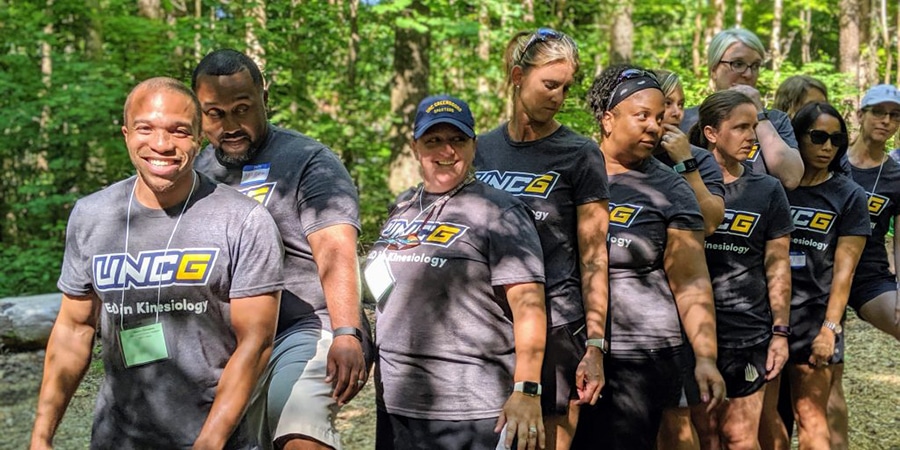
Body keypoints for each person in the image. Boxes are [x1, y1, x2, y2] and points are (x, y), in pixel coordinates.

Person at [30, 77, 284, 449]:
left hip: (218, 438)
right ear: (125, 134)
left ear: (198, 139)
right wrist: (41, 436)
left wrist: (209, 442)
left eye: (178, 131)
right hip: (117, 438)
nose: (161, 145)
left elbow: (256, 343)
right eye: (145, 128)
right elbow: (73, 329)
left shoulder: (243, 220)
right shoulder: (92, 215)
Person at [192, 49, 369, 450]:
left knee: (297, 419)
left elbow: (336, 250)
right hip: (229, 340)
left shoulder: (309, 160)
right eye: (216, 114)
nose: (231, 125)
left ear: (264, 99)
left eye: (242, 109)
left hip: (308, 324)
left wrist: (347, 333)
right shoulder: (196, 174)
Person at [367, 95, 547, 450]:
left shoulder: (499, 211)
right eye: (433, 140)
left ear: (474, 145)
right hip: (398, 399)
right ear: (415, 146)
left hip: (470, 406)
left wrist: (527, 389)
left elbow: (529, 306)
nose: (446, 151)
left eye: (458, 140)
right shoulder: (402, 206)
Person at [573, 65, 725, 450]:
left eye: (659, 118)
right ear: (608, 119)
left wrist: (705, 357)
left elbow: (691, 281)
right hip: (572, 346)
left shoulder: (670, 187)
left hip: (642, 354)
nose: (655, 127)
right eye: (642, 116)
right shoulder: (571, 170)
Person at [473, 28, 610, 448]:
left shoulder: (580, 153)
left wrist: (595, 344)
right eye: (550, 84)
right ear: (518, 76)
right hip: (486, 325)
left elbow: (593, 256)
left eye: (566, 88)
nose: (559, 97)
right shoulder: (480, 149)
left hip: (557, 323)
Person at [686, 90, 793, 450]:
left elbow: (778, 267)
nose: (751, 136)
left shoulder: (767, 189)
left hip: (748, 330)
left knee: (740, 439)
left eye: (755, 126)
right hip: (692, 332)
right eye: (741, 127)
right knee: (703, 436)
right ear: (712, 132)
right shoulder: (680, 186)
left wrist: (780, 332)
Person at [760, 102, 869, 450]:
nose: (827, 147)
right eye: (818, 137)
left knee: (810, 417)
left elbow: (845, 273)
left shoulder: (848, 194)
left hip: (813, 316)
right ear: (797, 136)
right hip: (764, 316)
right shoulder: (772, 186)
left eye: (836, 140)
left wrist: (830, 329)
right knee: (764, 417)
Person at [652, 69, 726, 450]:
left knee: (680, 419)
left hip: (685, 304)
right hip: (632, 308)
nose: (677, 112)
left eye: (681, 104)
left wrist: (685, 163)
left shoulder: (699, 158)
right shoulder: (619, 158)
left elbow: (710, 221)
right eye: (668, 103)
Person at [679, 28, 804, 190]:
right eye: (738, 64)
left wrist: (759, 115)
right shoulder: (686, 118)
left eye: (755, 66)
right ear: (714, 70)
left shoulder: (775, 120)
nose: (748, 74)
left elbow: (791, 178)